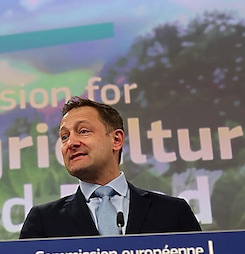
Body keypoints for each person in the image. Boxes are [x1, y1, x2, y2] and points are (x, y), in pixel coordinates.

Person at [20, 97, 201, 238]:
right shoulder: (44, 221)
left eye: (83, 131)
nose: (71, 143)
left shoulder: (173, 212)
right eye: (65, 137)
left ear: (116, 140)